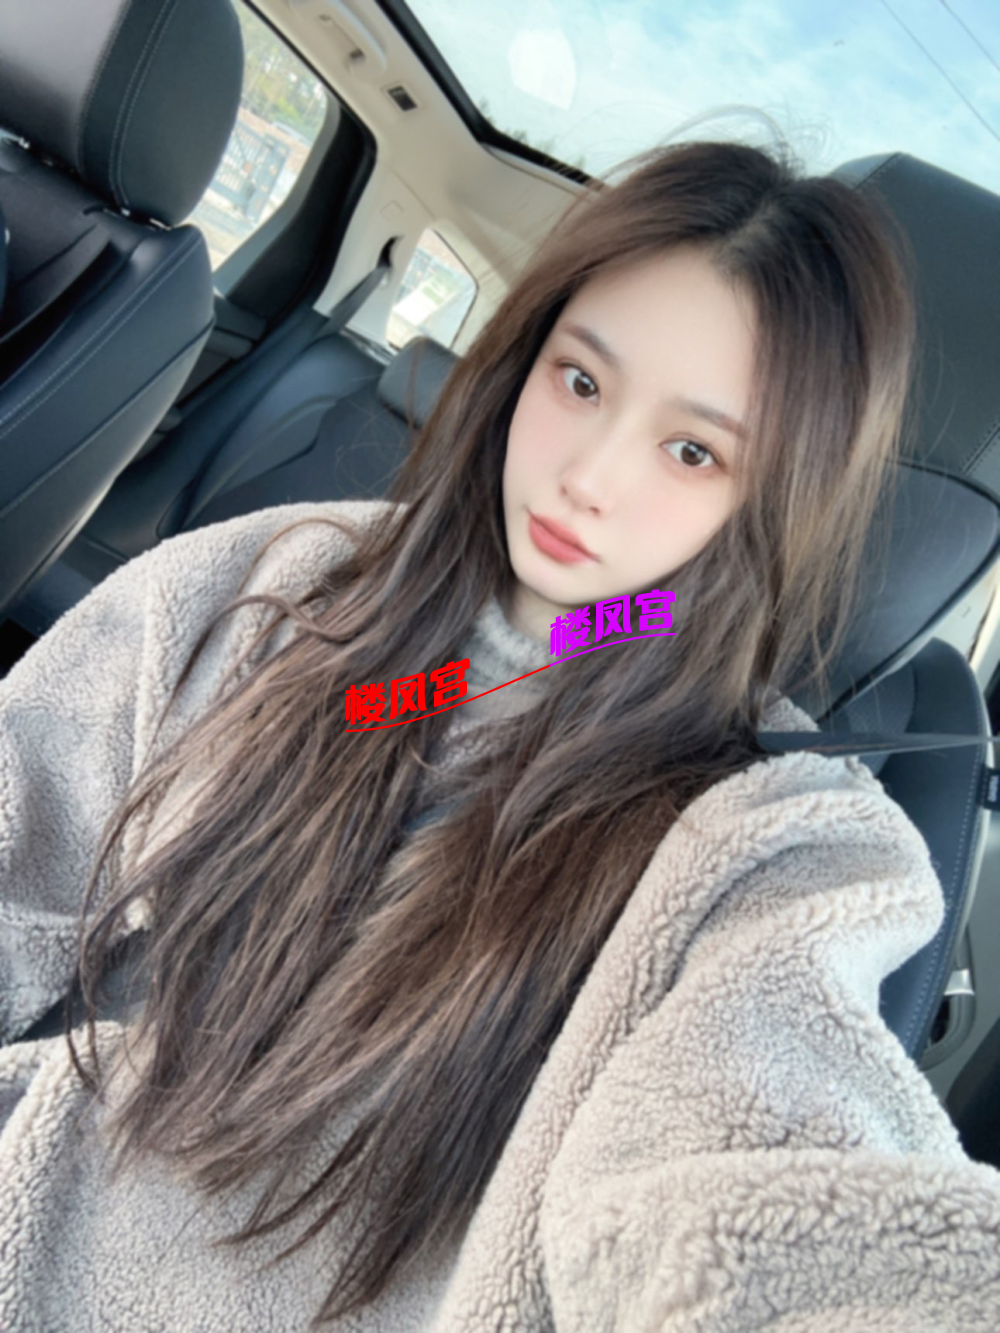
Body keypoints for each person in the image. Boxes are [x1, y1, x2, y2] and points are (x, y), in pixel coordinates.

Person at [1, 137, 999, 1332]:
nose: (589, 477)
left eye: (692, 450)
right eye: (580, 381)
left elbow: (775, 1181)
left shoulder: (768, 839)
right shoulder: (276, 580)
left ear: (767, 493)